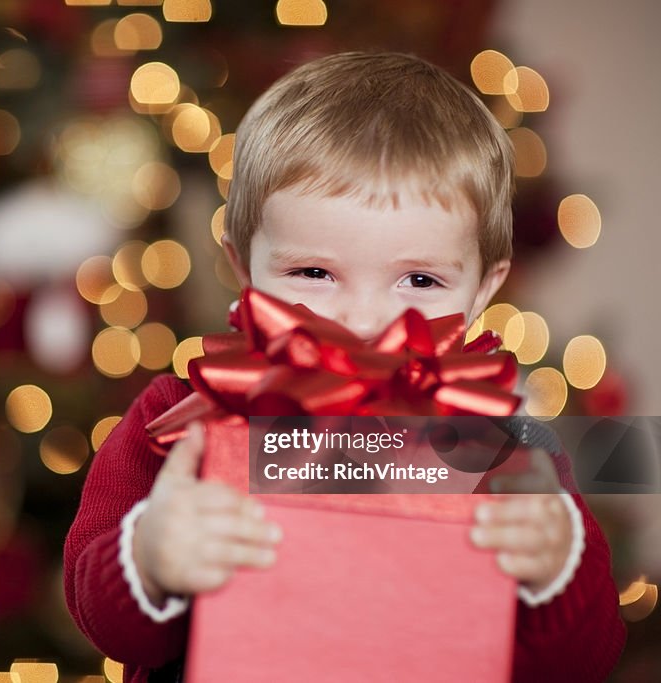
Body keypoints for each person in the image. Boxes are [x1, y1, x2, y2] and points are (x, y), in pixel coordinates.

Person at [64, 52, 626, 682]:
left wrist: (553, 570)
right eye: (314, 273)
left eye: (419, 279)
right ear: (244, 266)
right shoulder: (179, 415)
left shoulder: (507, 449)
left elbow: (586, 661)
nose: (363, 320)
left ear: (483, 288)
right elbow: (99, 616)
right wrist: (147, 558)